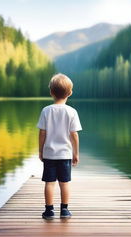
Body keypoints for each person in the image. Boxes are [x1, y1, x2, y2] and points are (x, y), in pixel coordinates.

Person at [37, 73, 82, 220]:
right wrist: (75, 153)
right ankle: (64, 210)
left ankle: (49, 211)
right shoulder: (72, 112)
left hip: (49, 154)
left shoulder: (46, 110)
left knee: (49, 183)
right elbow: (74, 135)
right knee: (64, 183)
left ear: (51, 92)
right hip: (65, 155)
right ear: (70, 93)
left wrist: (41, 151)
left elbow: (42, 133)